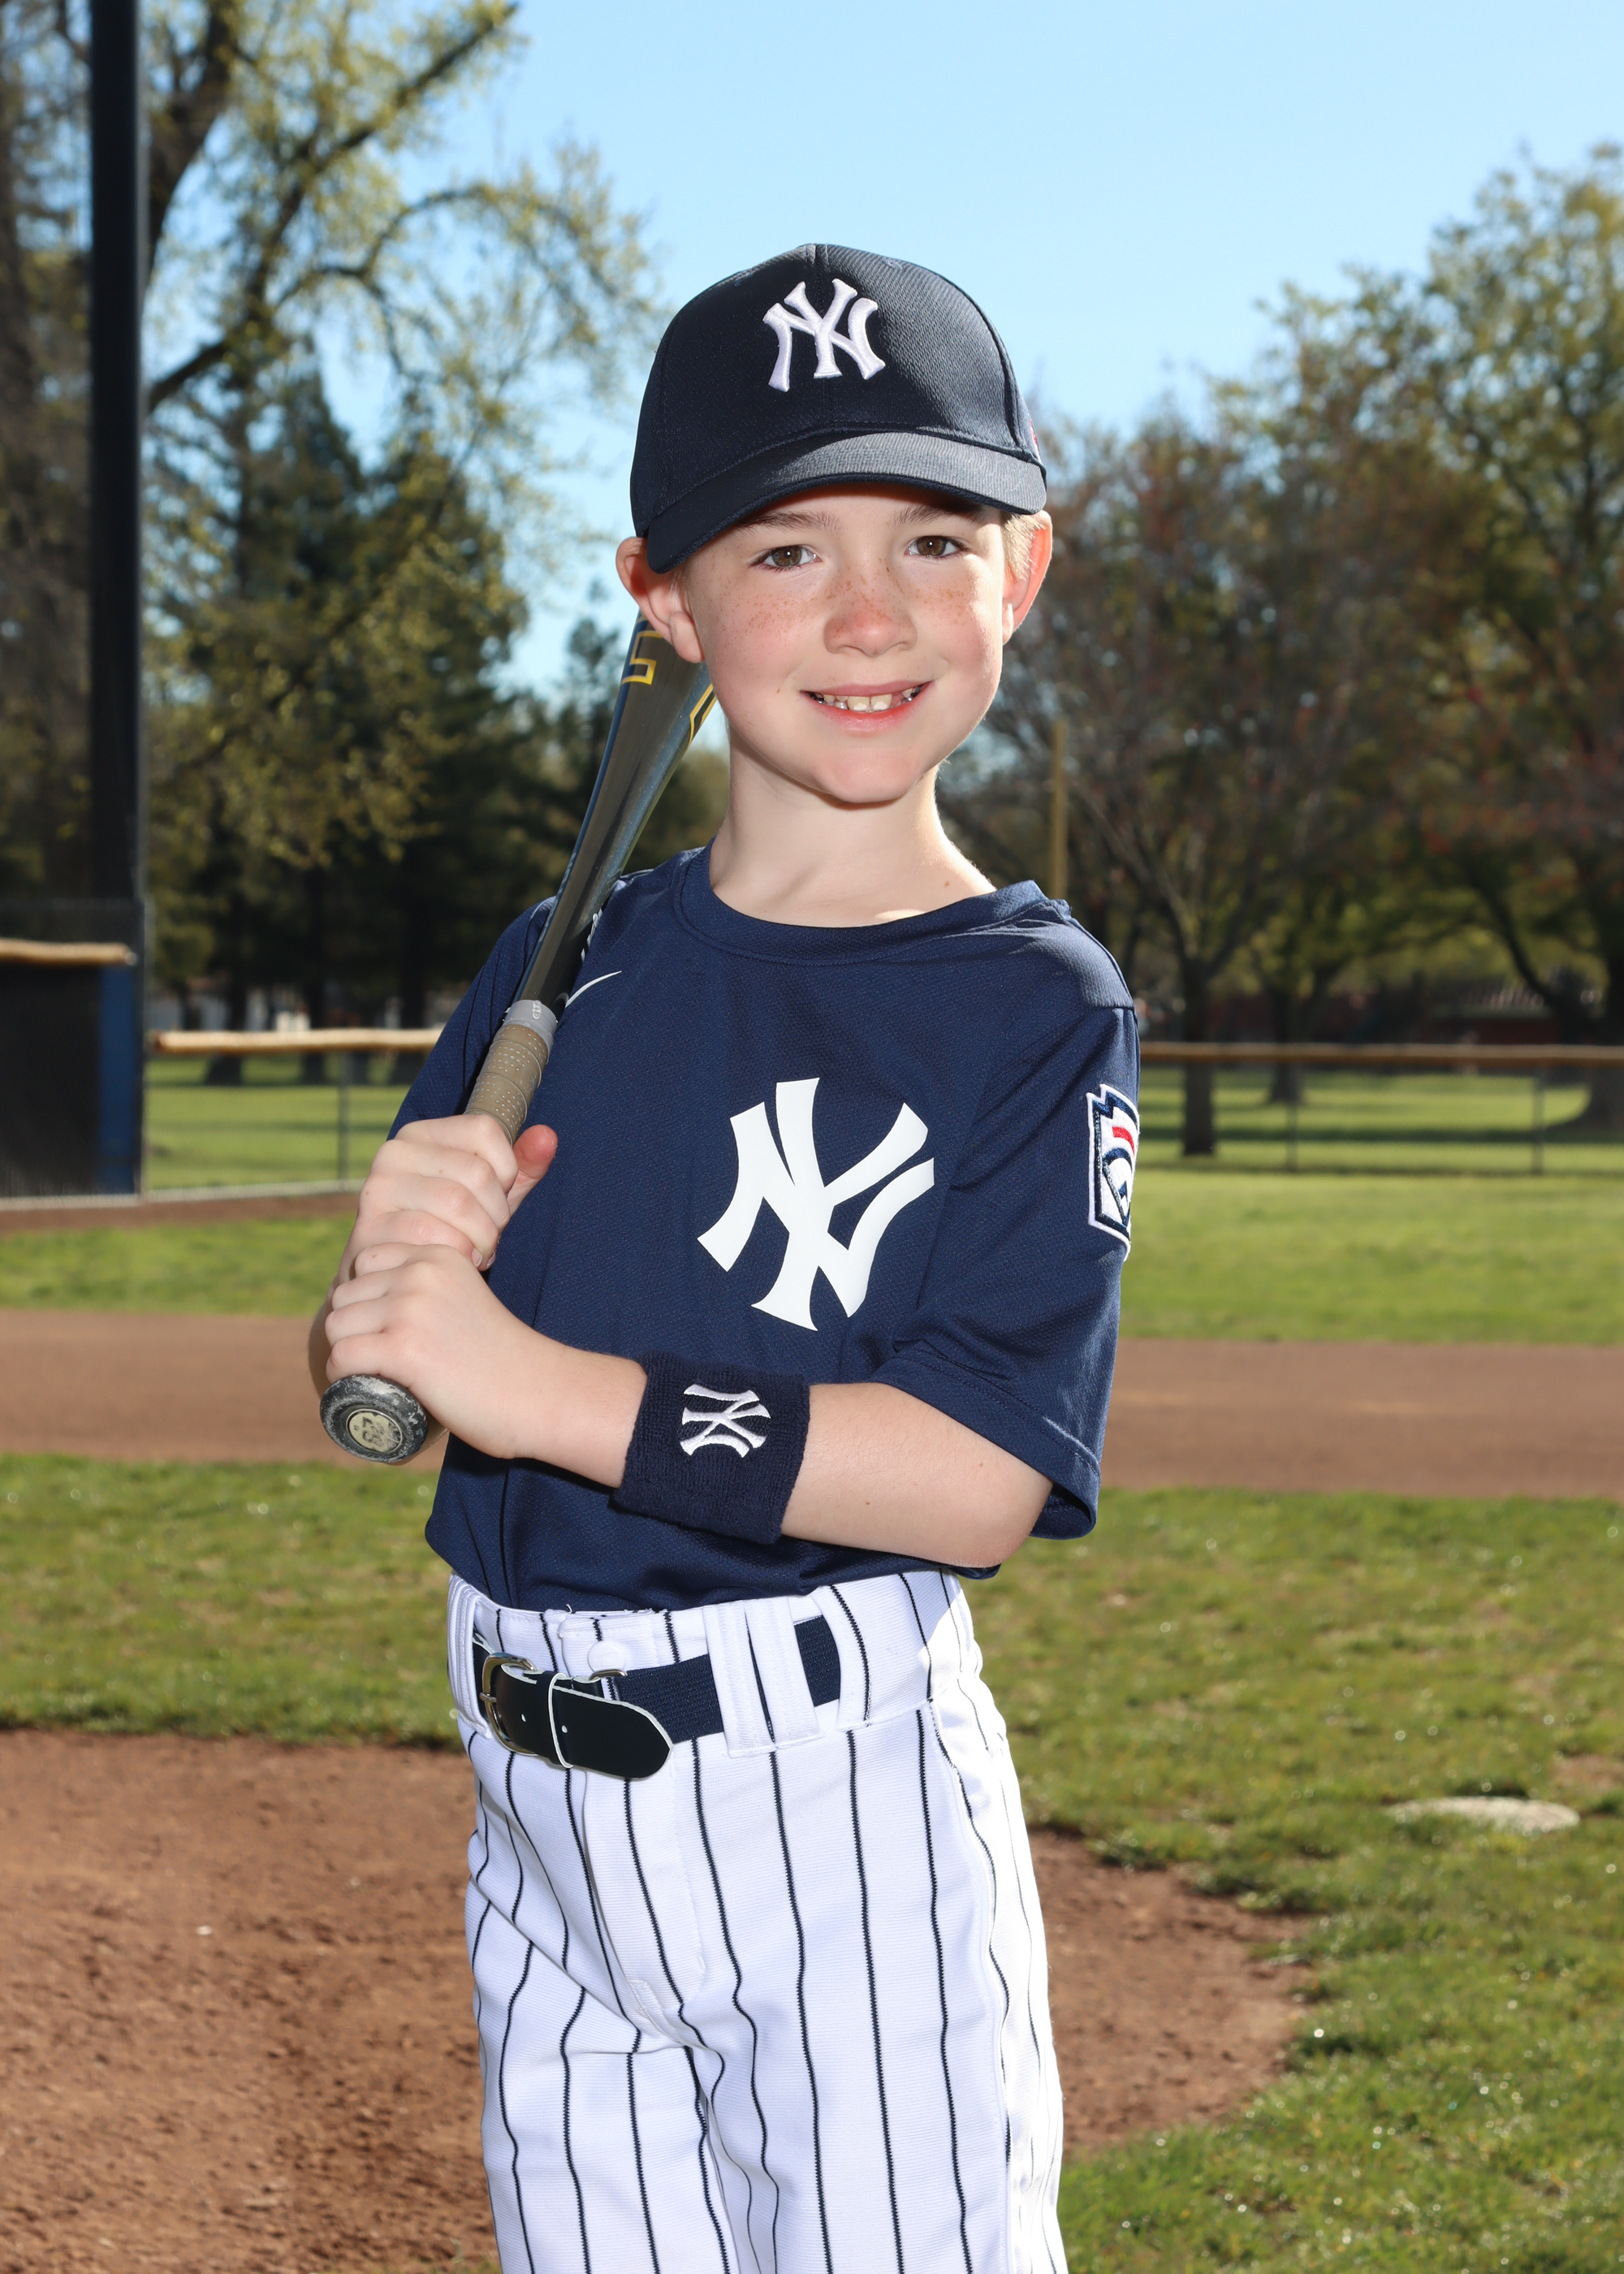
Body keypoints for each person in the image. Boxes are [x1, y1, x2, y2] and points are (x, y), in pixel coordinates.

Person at [309, 244, 1139, 2274]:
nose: (868, 610)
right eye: (782, 548)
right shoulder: (562, 959)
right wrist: (386, 1290)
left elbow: (975, 1471)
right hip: (535, 1814)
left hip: (829, 1806)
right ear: (664, 604)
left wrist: (531, 1386)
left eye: (932, 536)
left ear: (1021, 575)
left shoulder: (1032, 1004)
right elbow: (396, 1371)